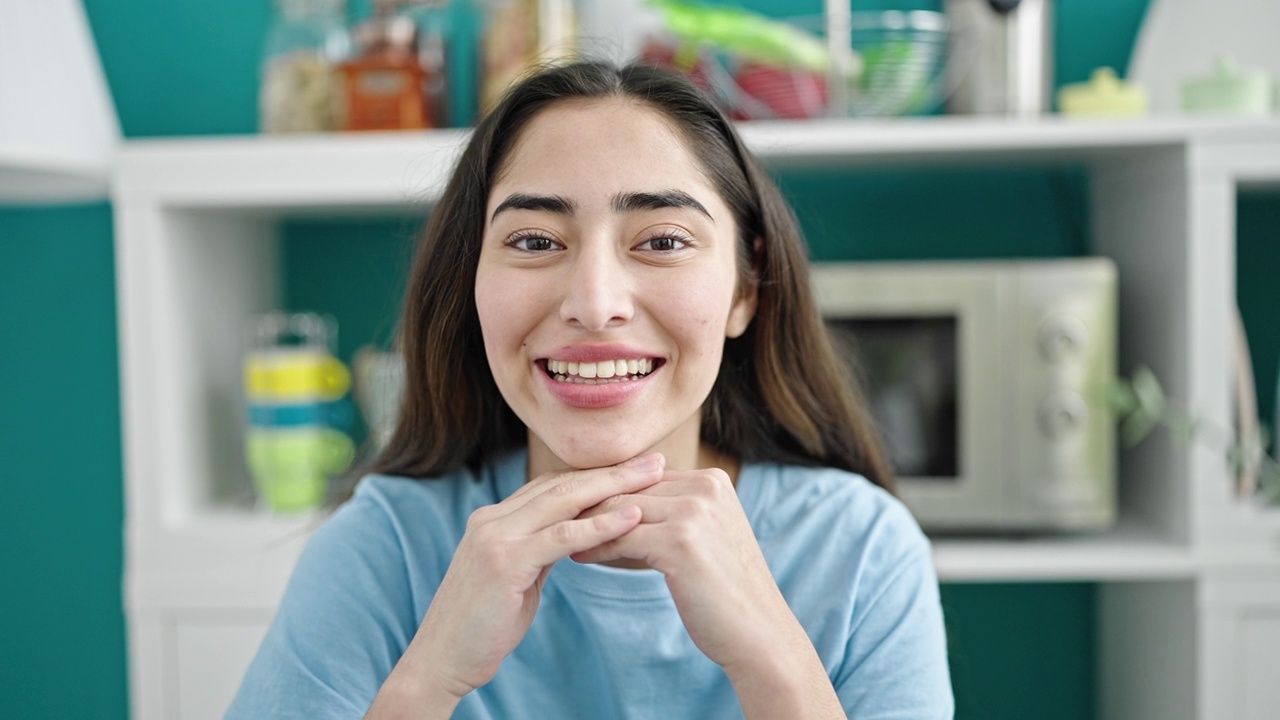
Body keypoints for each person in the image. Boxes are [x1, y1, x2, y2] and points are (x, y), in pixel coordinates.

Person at [227, 60, 953, 719]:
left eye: (662, 240)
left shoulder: (862, 552)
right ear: (470, 283)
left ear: (746, 287)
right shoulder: (381, 548)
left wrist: (775, 665)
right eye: (536, 242)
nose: (595, 301)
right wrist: (428, 681)